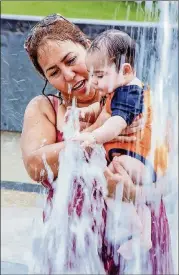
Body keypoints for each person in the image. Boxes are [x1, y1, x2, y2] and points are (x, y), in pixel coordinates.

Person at [21, 13, 173, 274]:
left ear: (88, 47)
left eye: (71, 60)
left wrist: (134, 193)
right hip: (75, 239)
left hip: (139, 240)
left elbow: (171, 176)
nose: (68, 75)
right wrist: (96, 133)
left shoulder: (138, 100)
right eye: (54, 72)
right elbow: (36, 165)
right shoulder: (45, 108)